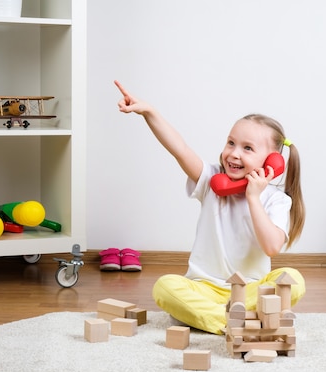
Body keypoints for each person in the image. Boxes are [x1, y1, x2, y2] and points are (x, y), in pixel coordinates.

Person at [115, 80, 306, 334]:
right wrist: (149, 112)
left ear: (272, 161)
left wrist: (252, 198)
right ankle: (233, 321)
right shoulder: (210, 181)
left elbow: (271, 247)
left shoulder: (277, 200)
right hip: (202, 288)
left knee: (294, 280)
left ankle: (220, 317)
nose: (234, 154)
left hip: (249, 289)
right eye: (231, 143)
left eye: (247, 148)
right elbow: (180, 149)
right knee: (165, 286)